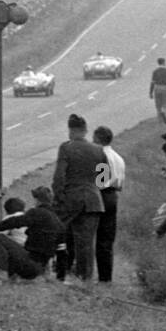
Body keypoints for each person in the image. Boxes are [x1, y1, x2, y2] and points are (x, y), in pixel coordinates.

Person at [52, 113, 105, 283]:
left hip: (70, 198)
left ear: (71, 130)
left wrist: (58, 195)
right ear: (85, 130)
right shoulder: (98, 150)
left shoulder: (66, 148)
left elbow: (59, 176)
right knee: (86, 242)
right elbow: (103, 180)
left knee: (56, 232)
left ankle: (58, 270)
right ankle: (85, 277)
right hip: (93, 200)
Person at [0, 188, 66, 284]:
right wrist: (61, 278)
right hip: (40, 268)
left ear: (37, 200)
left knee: (0, 238)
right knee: (7, 244)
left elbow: (15, 221)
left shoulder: (36, 212)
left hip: (29, 264)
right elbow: (62, 253)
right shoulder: (58, 222)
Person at [92, 125, 124, 283]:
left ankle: (92, 273)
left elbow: (101, 180)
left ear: (98, 139)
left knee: (95, 236)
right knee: (107, 238)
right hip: (113, 195)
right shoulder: (118, 157)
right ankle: (106, 277)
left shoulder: (101, 155)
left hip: (101, 195)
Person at [150, 57, 166, 124]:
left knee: (158, 105)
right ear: (163, 62)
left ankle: (160, 122)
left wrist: (150, 92)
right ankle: (164, 111)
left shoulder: (155, 71)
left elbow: (152, 82)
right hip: (165, 87)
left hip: (157, 88)